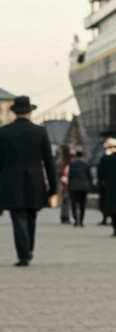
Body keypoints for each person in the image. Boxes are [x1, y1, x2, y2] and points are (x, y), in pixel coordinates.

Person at [0, 95, 57, 266]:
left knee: (18, 216)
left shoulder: (3, 132)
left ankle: (23, 254)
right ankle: (29, 249)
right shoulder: (40, 132)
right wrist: (52, 187)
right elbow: (48, 161)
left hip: (10, 180)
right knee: (31, 215)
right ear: (30, 112)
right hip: (35, 179)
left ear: (15, 112)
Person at [67, 149, 92, 227]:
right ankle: (81, 220)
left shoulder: (72, 164)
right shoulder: (86, 165)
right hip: (83, 186)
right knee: (82, 204)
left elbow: (70, 176)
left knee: (74, 204)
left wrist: (69, 186)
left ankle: (75, 220)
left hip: (74, 185)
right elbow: (89, 176)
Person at [97, 137, 116, 224]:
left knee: (107, 202)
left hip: (106, 185)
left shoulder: (105, 159)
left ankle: (107, 218)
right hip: (115, 185)